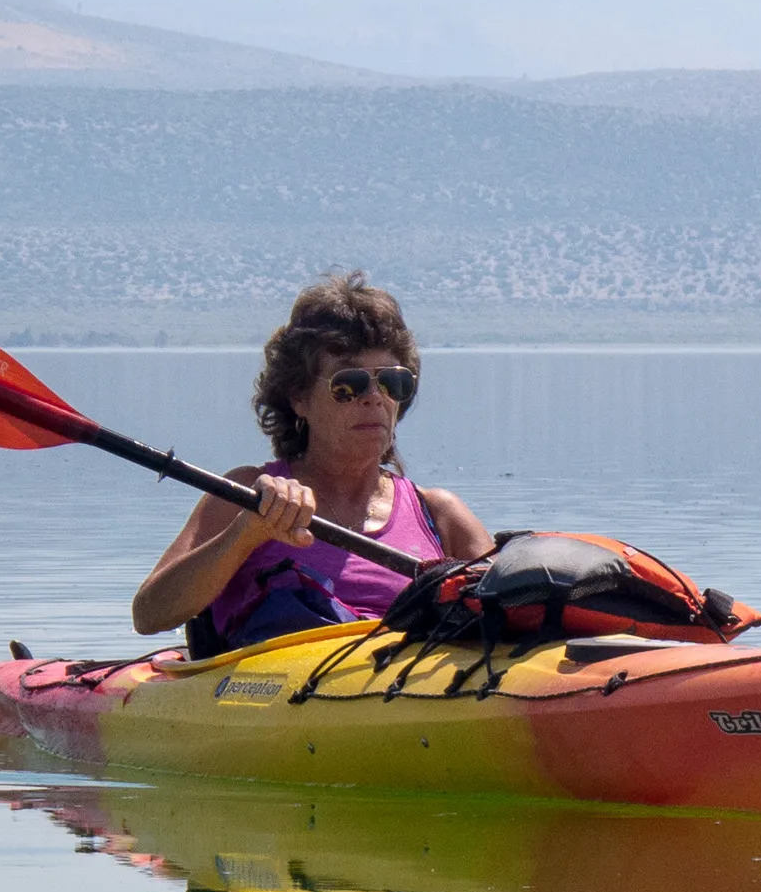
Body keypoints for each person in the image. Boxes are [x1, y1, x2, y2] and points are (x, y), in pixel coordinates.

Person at [133, 271, 494, 654]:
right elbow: (150, 614)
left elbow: (517, 611)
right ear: (299, 398)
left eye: (392, 382)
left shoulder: (440, 514)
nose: (374, 398)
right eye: (349, 384)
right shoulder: (244, 493)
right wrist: (247, 533)